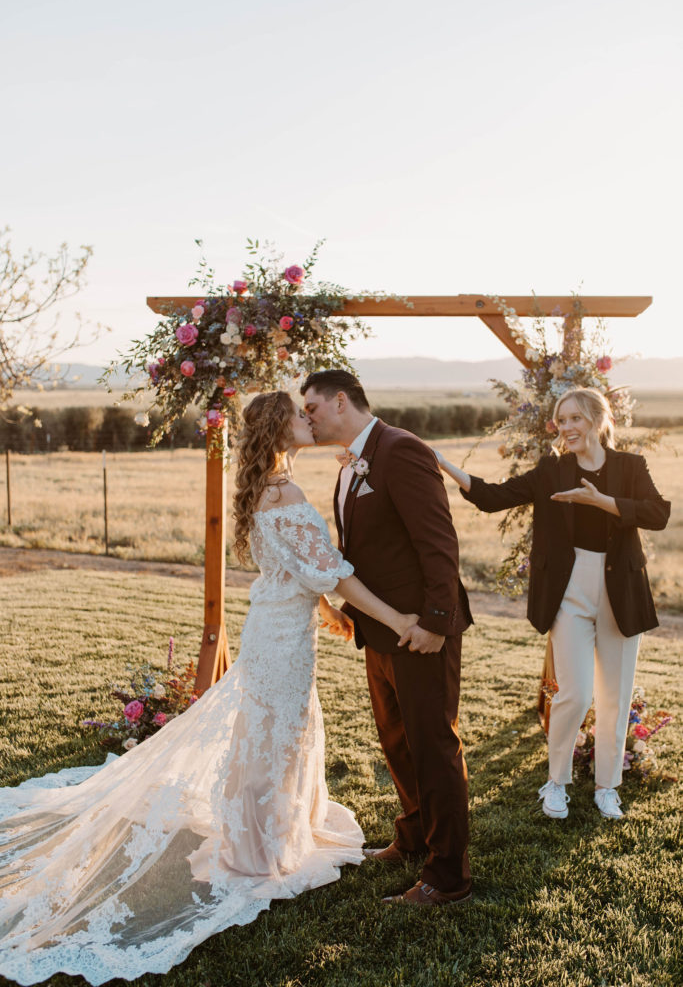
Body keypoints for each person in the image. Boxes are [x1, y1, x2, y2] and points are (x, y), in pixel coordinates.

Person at [0, 390, 418, 986]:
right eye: (299, 417)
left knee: (270, 727)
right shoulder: (288, 491)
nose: (309, 421)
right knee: (277, 730)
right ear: (279, 431)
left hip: (276, 624)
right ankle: (257, 850)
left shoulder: (262, 489)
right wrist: (396, 619)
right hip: (280, 638)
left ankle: (263, 833)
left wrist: (323, 606)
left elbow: (299, 569)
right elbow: (333, 572)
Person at [434, 386, 670, 821]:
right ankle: (557, 781)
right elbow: (493, 497)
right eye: (561, 421)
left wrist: (602, 503)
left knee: (615, 698)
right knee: (575, 694)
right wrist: (447, 467)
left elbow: (658, 513)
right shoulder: (551, 471)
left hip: (621, 589)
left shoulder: (630, 466)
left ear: (599, 420)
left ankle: (607, 788)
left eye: (575, 418)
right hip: (568, 589)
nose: (566, 428)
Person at [301, 370, 473, 907]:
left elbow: (439, 541)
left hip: (420, 629)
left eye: (311, 408)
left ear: (341, 401)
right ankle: (415, 836)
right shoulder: (356, 459)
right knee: (398, 741)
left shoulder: (400, 450)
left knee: (433, 745)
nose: (306, 417)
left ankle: (448, 876)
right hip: (378, 630)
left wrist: (435, 621)